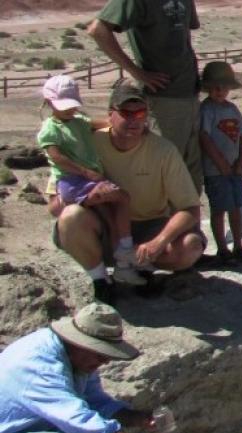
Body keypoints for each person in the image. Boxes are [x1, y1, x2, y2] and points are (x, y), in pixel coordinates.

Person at [53, 81, 206, 306]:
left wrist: (159, 242)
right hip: (105, 228)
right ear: (110, 115)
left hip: (148, 227)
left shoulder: (163, 150)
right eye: (126, 112)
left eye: (140, 112)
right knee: (70, 217)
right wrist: (85, 199)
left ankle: (143, 267)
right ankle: (101, 281)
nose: (134, 119)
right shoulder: (88, 144)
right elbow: (53, 204)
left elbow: (190, 208)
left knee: (190, 246)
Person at [0, 304, 192, 433]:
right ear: (78, 343)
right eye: (100, 355)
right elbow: (82, 422)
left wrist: (137, 418)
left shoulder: (78, 358)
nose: (105, 362)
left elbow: (95, 402)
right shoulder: (40, 366)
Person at [38, 75, 145, 287]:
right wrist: (85, 172)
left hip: (86, 180)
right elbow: (57, 158)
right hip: (76, 181)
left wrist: (133, 124)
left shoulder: (79, 122)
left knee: (110, 214)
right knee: (121, 198)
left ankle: (121, 264)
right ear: (49, 102)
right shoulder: (50, 129)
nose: (69, 110)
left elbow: (107, 123)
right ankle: (121, 254)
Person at [88, 0, 204, 196]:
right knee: (167, 174)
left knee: (191, 177)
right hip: (163, 99)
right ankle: (164, 224)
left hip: (190, 93)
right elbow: (97, 30)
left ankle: (188, 223)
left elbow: (186, 32)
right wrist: (137, 72)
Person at [197, 61, 242, 265]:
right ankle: (222, 248)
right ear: (208, 88)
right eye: (215, 87)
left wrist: (241, 160)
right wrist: (220, 162)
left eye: (223, 87)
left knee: (237, 207)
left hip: (234, 169)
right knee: (219, 209)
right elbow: (204, 137)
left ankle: (238, 244)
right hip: (215, 170)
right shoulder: (206, 110)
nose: (219, 91)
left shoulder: (232, 108)